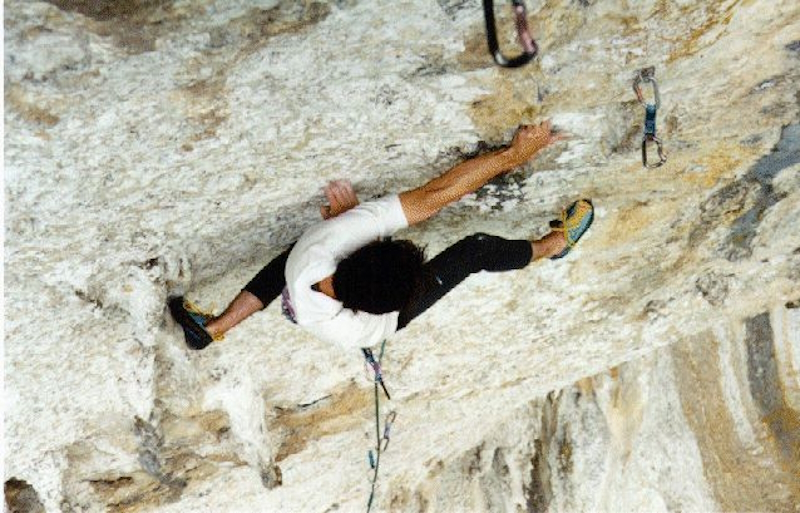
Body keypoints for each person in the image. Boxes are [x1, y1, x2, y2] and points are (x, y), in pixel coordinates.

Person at [169, 121, 593, 351]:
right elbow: (434, 197)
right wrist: (513, 156)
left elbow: (435, 196)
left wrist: (348, 225)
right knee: (475, 249)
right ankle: (553, 246)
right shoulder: (371, 317)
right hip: (371, 319)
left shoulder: (322, 247)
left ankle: (215, 327)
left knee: (292, 260)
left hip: (312, 296)